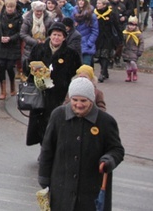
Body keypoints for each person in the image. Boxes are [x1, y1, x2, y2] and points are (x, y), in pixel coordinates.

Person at [38, 77, 124, 211]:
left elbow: (117, 149)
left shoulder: (105, 121)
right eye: (75, 100)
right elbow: (47, 149)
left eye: (83, 101)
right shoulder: (58, 116)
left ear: (91, 100)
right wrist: (43, 177)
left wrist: (109, 160)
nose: (79, 104)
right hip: (61, 188)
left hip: (91, 191)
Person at [25, 22, 82, 146]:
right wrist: (33, 70)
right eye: (54, 34)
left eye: (60, 35)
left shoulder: (71, 54)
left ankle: (51, 148)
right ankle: (43, 147)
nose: (56, 38)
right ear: (50, 35)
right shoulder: (39, 49)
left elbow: (77, 72)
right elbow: (28, 66)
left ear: (64, 38)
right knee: (39, 122)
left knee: (54, 121)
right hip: (40, 92)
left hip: (58, 94)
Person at [0, 0, 22, 99]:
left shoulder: (19, 18)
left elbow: (20, 32)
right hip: (2, 45)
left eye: (12, 7)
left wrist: (10, 38)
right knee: (1, 67)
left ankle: (12, 87)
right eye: (8, 7)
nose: (10, 9)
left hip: (13, 45)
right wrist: (1, 37)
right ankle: (3, 91)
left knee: (10, 67)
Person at [93, 0, 122, 82]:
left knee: (105, 55)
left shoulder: (111, 14)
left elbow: (116, 26)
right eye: (97, 3)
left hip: (108, 37)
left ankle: (102, 73)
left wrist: (120, 38)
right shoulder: (94, 14)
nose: (97, 5)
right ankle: (105, 71)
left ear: (104, 5)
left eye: (99, 3)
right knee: (99, 55)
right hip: (98, 37)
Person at [121, 16, 144, 82]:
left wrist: (140, 50)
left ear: (136, 26)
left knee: (133, 62)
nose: (131, 27)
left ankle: (134, 73)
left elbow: (141, 43)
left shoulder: (138, 34)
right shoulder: (125, 33)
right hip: (126, 50)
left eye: (133, 25)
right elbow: (122, 41)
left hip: (134, 51)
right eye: (130, 25)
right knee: (128, 64)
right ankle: (128, 75)